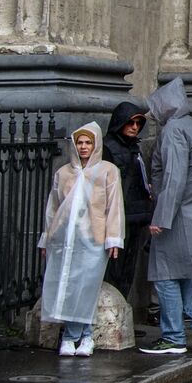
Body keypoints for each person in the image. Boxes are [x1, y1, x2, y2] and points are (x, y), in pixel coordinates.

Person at [142, 79, 192, 355]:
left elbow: (174, 178)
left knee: (164, 275)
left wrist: (160, 217)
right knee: (184, 273)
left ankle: (173, 337)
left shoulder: (174, 130)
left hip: (178, 216)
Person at [39, 123, 125, 356]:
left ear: (96, 144)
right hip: (65, 238)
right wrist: (46, 239)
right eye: (80, 142)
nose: (84, 147)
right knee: (67, 285)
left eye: (88, 142)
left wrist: (114, 238)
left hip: (94, 239)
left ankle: (76, 336)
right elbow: (53, 207)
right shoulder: (64, 173)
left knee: (85, 287)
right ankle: (79, 337)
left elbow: (114, 206)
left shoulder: (108, 171)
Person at [102, 101, 151, 300]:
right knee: (113, 269)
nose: (134, 127)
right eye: (130, 122)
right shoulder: (108, 147)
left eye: (138, 123)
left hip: (135, 214)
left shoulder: (134, 149)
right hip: (117, 215)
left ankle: (121, 312)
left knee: (128, 268)